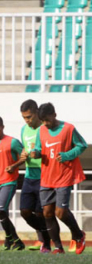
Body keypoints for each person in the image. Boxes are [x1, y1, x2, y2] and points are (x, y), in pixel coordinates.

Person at [30, 103, 87, 254]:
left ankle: (79, 235)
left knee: (60, 212)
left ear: (54, 115)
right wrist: (35, 152)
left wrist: (67, 155)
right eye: (42, 121)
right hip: (47, 176)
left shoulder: (69, 128)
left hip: (64, 176)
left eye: (47, 120)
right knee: (47, 213)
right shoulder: (41, 130)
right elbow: (38, 147)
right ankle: (58, 247)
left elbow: (82, 145)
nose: (45, 124)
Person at [0, 116, 26, 251]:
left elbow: (25, 156)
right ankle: (9, 239)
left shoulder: (12, 142)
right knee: (2, 213)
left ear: (2, 127)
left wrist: (14, 166)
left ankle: (16, 239)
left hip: (9, 181)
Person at [18, 100, 51, 253]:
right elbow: (26, 147)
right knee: (24, 211)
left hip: (44, 176)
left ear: (37, 113)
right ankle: (47, 234)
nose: (27, 120)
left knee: (40, 212)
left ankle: (46, 241)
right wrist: (23, 154)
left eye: (29, 117)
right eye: (24, 117)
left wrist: (39, 154)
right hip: (29, 176)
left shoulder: (46, 128)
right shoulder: (24, 129)